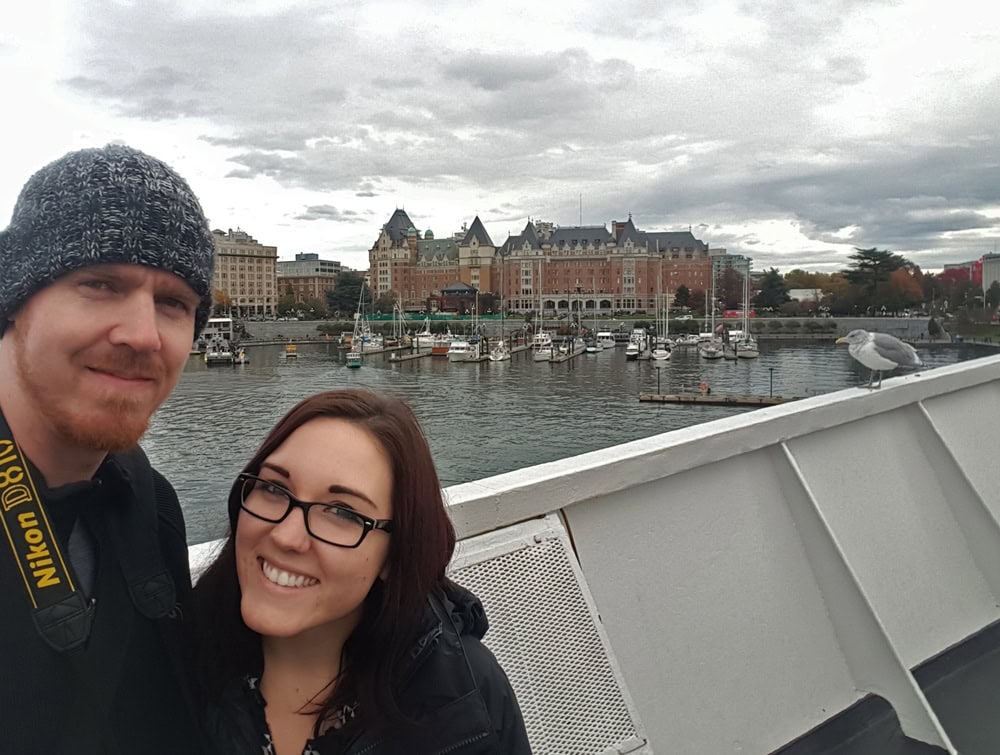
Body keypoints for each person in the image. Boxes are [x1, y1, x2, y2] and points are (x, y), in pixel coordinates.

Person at [0, 144, 215, 753]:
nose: (143, 335)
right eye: (100, 283)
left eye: (173, 303)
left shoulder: (151, 505)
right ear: (15, 300)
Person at [192, 389, 531, 754]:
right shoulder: (164, 660)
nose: (287, 535)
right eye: (274, 488)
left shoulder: (464, 701)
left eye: (343, 513)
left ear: (394, 553)